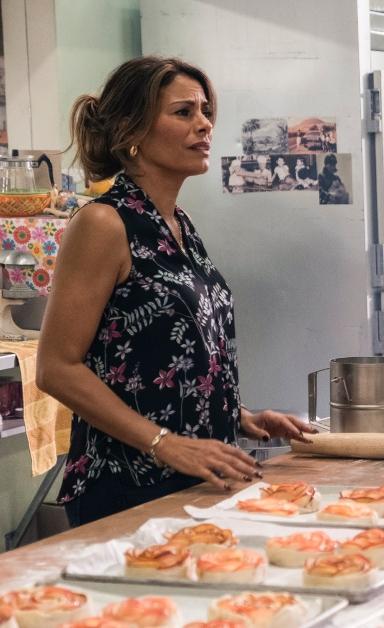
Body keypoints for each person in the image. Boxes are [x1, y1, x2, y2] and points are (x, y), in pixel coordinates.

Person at [37, 56, 315, 526]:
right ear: (132, 132)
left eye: (205, 111)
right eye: (183, 112)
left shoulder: (176, 222)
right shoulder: (104, 222)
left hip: (199, 472)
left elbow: (160, 358)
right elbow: (56, 369)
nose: (205, 124)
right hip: (129, 483)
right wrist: (165, 443)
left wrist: (236, 413)